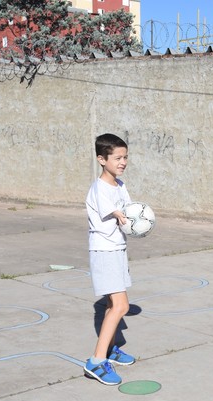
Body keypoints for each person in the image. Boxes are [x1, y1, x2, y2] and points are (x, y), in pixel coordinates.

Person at [83, 133, 137, 386]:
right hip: (104, 251)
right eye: (117, 158)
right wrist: (125, 217)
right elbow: (118, 214)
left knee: (112, 303)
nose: (123, 162)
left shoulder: (120, 185)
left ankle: (110, 349)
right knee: (121, 306)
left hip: (117, 248)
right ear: (102, 159)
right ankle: (96, 361)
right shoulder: (99, 189)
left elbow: (130, 213)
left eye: (125, 157)